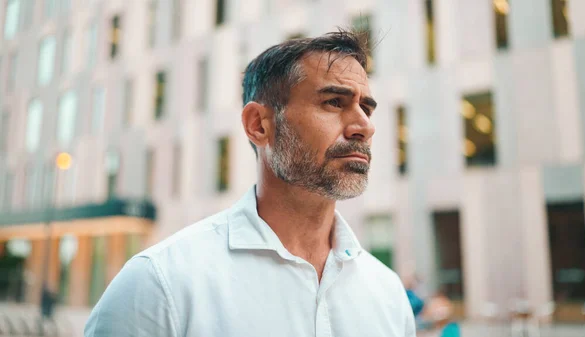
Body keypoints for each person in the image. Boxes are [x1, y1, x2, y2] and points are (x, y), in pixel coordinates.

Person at [84, 30, 416, 337]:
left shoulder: (387, 293)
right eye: (334, 102)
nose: (364, 126)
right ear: (258, 125)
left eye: (367, 108)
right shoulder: (159, 284)